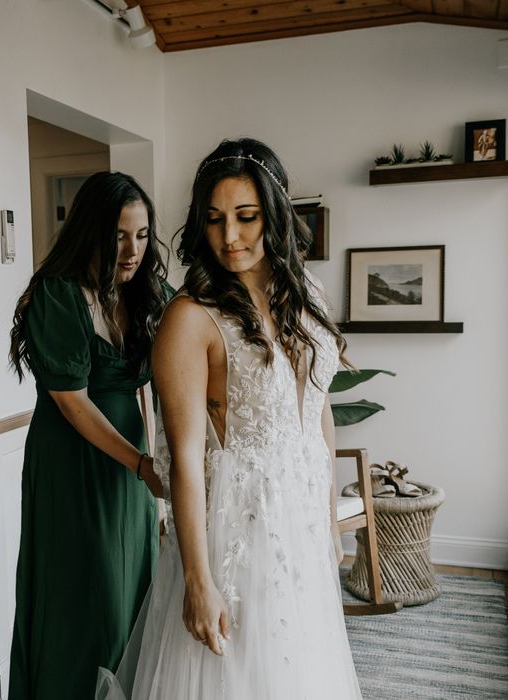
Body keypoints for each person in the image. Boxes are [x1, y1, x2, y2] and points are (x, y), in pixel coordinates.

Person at [97, 139, 361, 699]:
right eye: (214, 220)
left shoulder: (306, 297)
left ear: (276, 215)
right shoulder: (190, 319)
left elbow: (319, 409)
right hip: (236, 533)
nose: (230, 236)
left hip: (302, 526)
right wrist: (198, 579)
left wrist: (327, 515)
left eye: (247, 217)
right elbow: (185, 460)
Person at [8, 171, 172, 700]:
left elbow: (184, 358)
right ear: (89, 232)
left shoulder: (149, 294)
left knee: (132, 591)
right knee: (87, 594)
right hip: (73, 461)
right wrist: (142, 465)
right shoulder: (58, 294)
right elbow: (74, 404)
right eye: (118, 235)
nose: (132, 250)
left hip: (132, 467)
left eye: (143, 235)